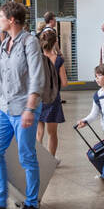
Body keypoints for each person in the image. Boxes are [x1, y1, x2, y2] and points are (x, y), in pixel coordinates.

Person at [0, 1, 44, 209]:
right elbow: (3, 76)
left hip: (24, 107)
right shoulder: (5, 42)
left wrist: (30, 108)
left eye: (1, 17)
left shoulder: (30, 42)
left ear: (12, 20)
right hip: (5, 109)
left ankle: (32, 203)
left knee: (27, 156)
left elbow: (37, 76)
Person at [36, 27, 66, 159]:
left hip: (37, 98)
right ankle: (51, 160)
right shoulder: (58, 60)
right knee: (52, 133)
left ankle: (37, 158)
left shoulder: (35, 58)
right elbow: (64, 83)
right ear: (55, 42)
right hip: (53, 98)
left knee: (38, 132)